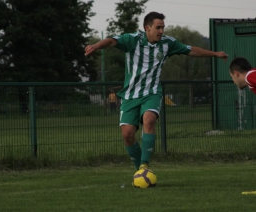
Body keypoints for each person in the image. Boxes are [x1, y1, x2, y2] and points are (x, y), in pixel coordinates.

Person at [85, 12, 228, 173]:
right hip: (130, 95)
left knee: (149, 120)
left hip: (152, 92)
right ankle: (140, 171)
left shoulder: (168, 43)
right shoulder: (133, 40)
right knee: (127, 135)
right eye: (158, 27)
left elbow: (190, 50)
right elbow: (112, 41)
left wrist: (214, 54)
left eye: (163, 28)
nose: (161, 31)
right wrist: (96, 46)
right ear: (147, 28)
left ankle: (145, 164)